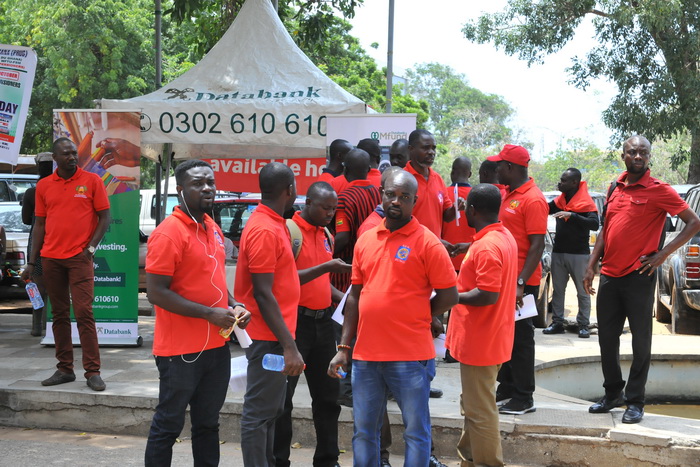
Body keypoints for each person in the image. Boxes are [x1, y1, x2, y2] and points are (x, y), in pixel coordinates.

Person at [328, 170, 458, 467]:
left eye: (404, 197)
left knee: (415, 431)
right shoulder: (365, 240)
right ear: (381, 194)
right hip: (366, 358)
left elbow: (449, 295)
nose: (396, 201)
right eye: (391, 194)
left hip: (410, 357)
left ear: (415, 201)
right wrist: (343, 348)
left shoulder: (428, 243)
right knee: (364, 432)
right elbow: (354, 297)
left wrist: (418, 313)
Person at [583, 135, 700, 424]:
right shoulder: (615, 187)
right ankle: (612, 394)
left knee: (641, 341)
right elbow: (606, 229)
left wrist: (662, 255)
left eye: (643, 152)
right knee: (607, 341)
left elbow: (694, 222)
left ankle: (635, 402)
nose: (638, 156)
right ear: (623, 155)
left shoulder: (659, 190)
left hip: (639, 276)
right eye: (632, 151)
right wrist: (590, 265)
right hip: (609, 275)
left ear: (649, 157)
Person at [144, 160, 251, 466]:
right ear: (180, 190)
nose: (207, 188)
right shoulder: (168, 233)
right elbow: (156, 292)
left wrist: (234, 305)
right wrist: (208, 314)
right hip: (180, 351)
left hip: (217, 347)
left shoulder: (213, 228)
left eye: (210, 182)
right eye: (197, 183)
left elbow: (216, 283)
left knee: (208, 424)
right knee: (168, 425)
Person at [21, 138, 111, 391]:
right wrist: (31, 260)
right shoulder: (44, 186)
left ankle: (93, 372)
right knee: (59, 315)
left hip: (79, 260)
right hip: (51, 259)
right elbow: (39, 224)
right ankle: (65, 369)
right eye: (67, 154)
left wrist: (90, 249)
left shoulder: (92, 181)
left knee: (84, 314)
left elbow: (105, 217)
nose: (73, 157)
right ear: (56, 158)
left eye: (74, 153)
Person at [273, 181, 351, 467]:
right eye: (325, 208)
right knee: (283, 401)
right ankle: (279, 460)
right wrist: (327, 267)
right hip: (296, 326)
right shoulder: (289, 231)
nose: (331, 213)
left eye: (334, 209)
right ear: (308, 203)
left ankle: (327, 460)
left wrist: (343, 298)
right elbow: (286, 278)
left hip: (322, 326)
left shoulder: (326, 234)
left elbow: (322, 282)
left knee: (329, 399)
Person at [235, 162, 305, 466]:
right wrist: (289, 346)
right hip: (269, 341)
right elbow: (263, 294)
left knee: (270, 412)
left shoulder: (274, 222)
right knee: (258, 414)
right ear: (289, 190)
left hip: (275, 338)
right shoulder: (264, 229)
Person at [446, 183, 518, 467]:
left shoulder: (487, 246)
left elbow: (488, 294)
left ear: (471, 210)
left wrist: (451, 296)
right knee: (474, 405)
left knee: (480, 411)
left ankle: (487, 463)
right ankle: (470, 460)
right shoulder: (500, 236)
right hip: (490, 338)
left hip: (481, 341)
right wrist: (469, 247)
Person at [488, 144, 547, 415]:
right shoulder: (508, 194)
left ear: (510, 168)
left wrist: (521, 284)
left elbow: (537, 245)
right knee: (508, 336)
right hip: (507, 279)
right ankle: (509, 388)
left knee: (522, 338)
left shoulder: (533, 199)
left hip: (523, 283)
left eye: (499, 164)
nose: (496, 168)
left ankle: (524, 397)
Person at [544, 168, 599, 338]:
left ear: (575, 183)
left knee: (582, 291)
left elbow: (594, 224)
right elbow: (544, 209)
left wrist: (572, 215)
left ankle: (583, 324)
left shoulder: (586, 203)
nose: (560, 183)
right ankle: (557, 322)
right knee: (558, 290)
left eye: (564, 180)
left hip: (579, 255)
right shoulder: (560, 200)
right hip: (559, 252)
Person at [21, 152, 54, 336]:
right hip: (56, 241)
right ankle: (51, 324)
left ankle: (36, 325)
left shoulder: (32, 192)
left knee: (37, 285)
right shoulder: (59, 189)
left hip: (37, 244)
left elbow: (26, 220)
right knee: (56, 284)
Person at [404, 129, 459, 237]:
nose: (431, 152)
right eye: (425, 148)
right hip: (408, 248)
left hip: (434, 247)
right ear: (411, 149)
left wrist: (455, 208)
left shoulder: (437, 178)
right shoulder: (401, 178)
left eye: (433, 148)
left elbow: (446, 217)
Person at [442, 157, 476, 271]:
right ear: (470, 174)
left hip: (445, 257)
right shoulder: (477, 195)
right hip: (471, 258)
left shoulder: (442, 194)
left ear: (452, 172)